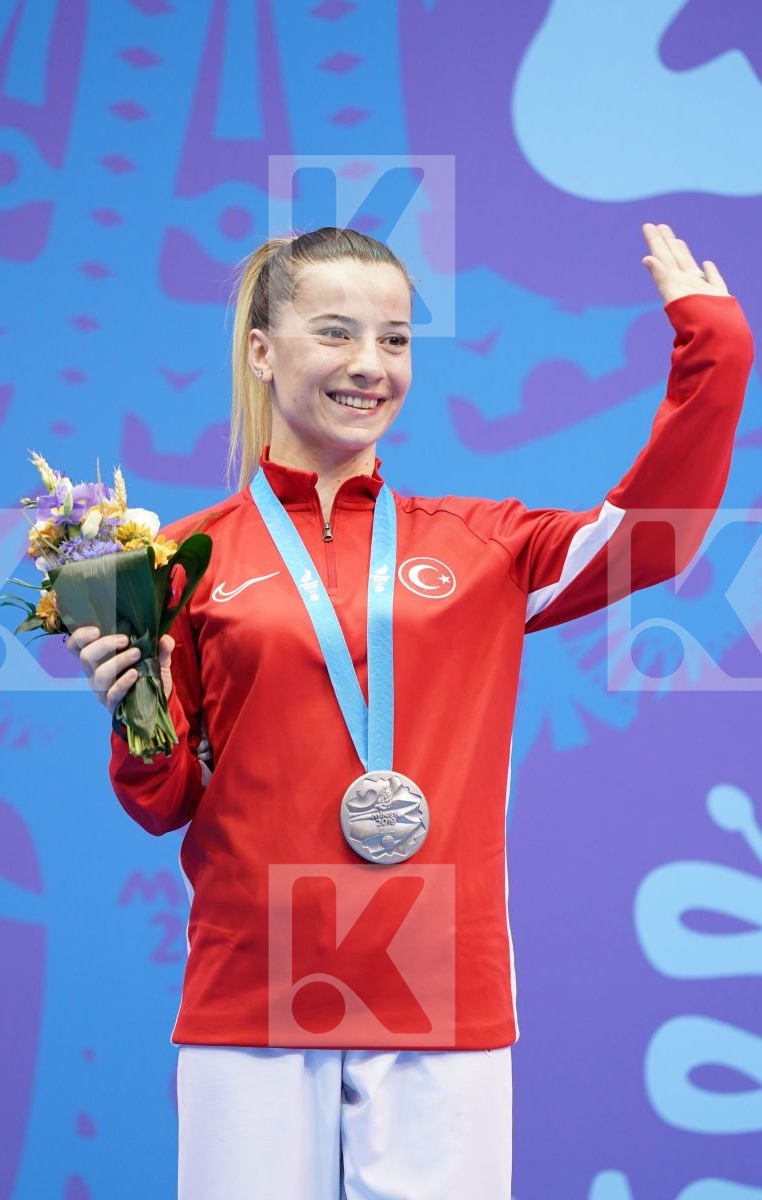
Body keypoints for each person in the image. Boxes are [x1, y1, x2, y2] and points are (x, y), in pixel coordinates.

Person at [67, 224, 753, 1200]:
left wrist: (713, 350)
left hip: (434, 965)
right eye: (336, 333)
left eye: (394, 340)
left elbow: (657, 536)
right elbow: (163, 799)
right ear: (261, 351)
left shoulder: (481, 547)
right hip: (253, 971)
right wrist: (133, 706)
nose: (368, 365)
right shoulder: (181, 560)